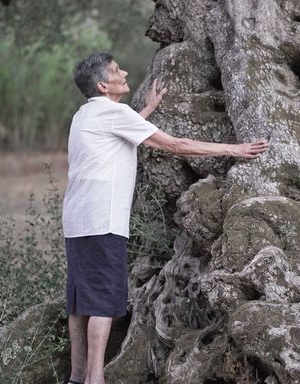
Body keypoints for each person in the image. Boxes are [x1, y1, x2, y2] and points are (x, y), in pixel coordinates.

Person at [62, 52, 269, 384]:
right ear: (103, 85)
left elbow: (123, 132)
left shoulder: (85, 115)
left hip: (76, 220)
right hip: (103, 221)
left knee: (79, 301)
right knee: (101, 301)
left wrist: (147, 111)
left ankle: (76, 376)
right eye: (117, 71)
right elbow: (176, 144)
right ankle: (95, 379)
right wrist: (235, 149)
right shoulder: (114, 114)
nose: (125, 71)